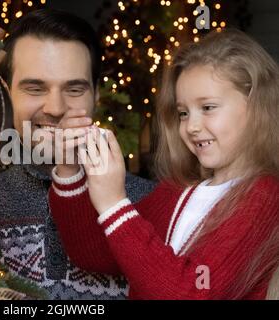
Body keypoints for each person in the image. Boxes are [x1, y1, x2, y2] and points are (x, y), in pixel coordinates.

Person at [48, 29, 279, 299]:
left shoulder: (265, 197)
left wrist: (114, 204)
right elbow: (95, 254)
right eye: (183, 113)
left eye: (208, 108)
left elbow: (191, 292)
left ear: (257, 106)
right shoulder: (178, 191)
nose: (191, 126)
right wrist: (69, 169)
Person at [0, 9, 154, 299]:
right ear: (6, 93)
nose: (55, 108)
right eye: (35, 88)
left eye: (74, 89)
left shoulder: (151, 203)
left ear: (96, 96)